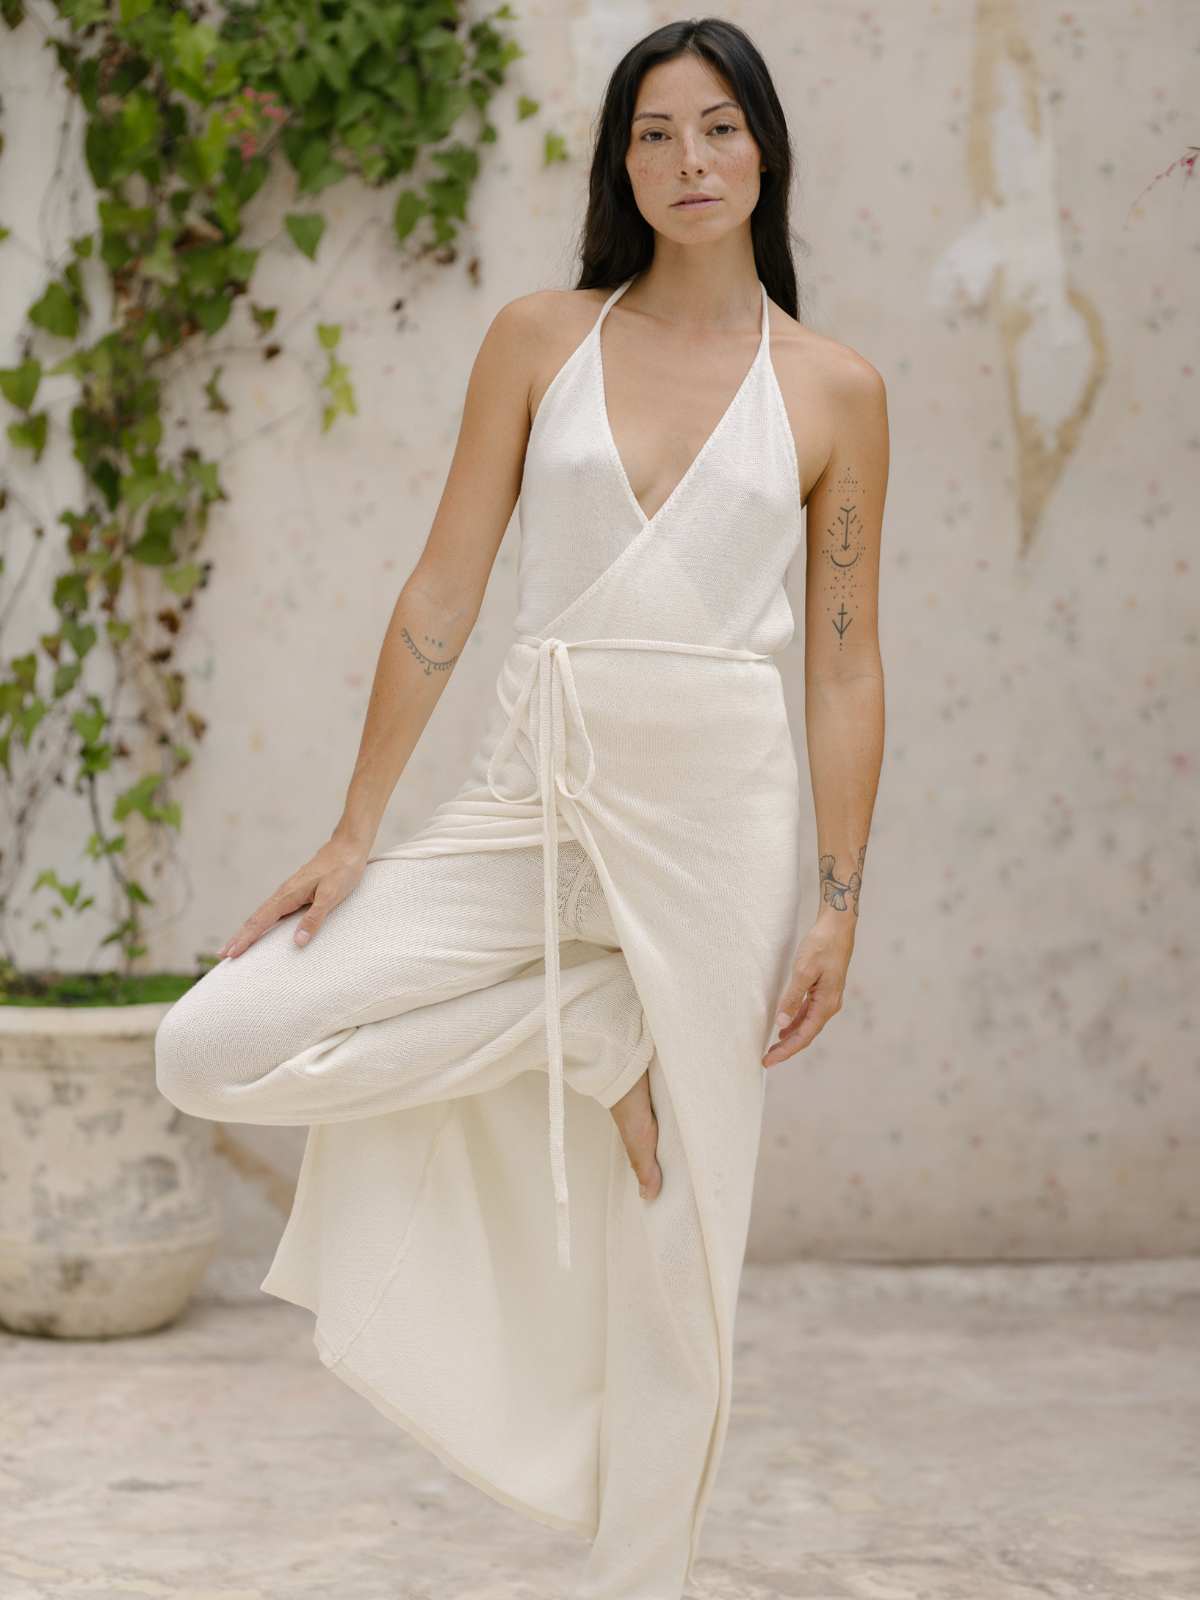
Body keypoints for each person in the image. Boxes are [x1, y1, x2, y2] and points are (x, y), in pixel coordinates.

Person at [154, 15, 887, 1599]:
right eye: (653, 136)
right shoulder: (540, 337)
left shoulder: (834, 390)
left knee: (674, 1274)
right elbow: (441, 593)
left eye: (717, 131)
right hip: (526, 805)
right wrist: (358, 829)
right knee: (209, 1044)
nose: (687, 164)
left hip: (716, 844)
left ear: (764, 151)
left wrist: (838, 893)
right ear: (619, 164)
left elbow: (842, 663)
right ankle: (587, 1033)